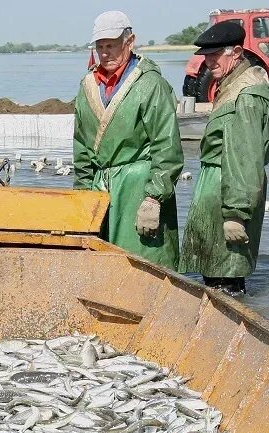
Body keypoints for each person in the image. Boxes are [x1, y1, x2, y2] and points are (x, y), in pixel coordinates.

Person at [72, 11, 184, 270]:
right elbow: (81, 145)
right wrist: (82, 196)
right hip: (100, 189)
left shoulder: (150, 84)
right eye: (100, 47)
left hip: (138, 186)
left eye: (111, 45)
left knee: (145, 267)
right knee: (102, 266)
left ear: (130, 41)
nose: (105, 53)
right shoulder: (87, 86)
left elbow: (166, 145)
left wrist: (154, 198)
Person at [178, 21, 269, 295]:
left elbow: (246, 159)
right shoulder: (231, 84)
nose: (208, 61)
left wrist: (236, 214)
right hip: (217, 186)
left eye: (214, 55)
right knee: (214, 276)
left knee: (226, 282)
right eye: (206, 55)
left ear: (235, 52)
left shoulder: (247, 96)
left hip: (229, 191)